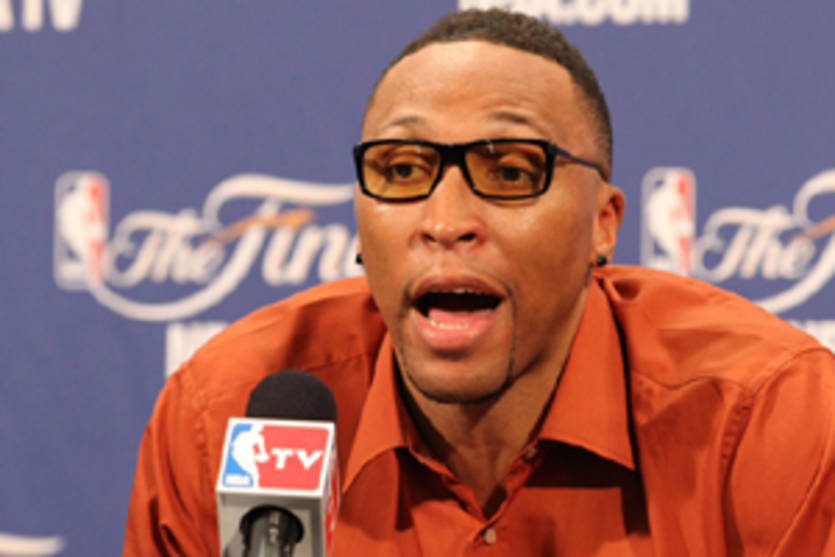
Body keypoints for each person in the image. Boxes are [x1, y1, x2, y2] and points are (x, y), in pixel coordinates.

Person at [123, 8, 835, 556]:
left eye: (511, 172)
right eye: (403, 170)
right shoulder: (223, 417)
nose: (445, 222)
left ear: (602, 224)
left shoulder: (771, 420)